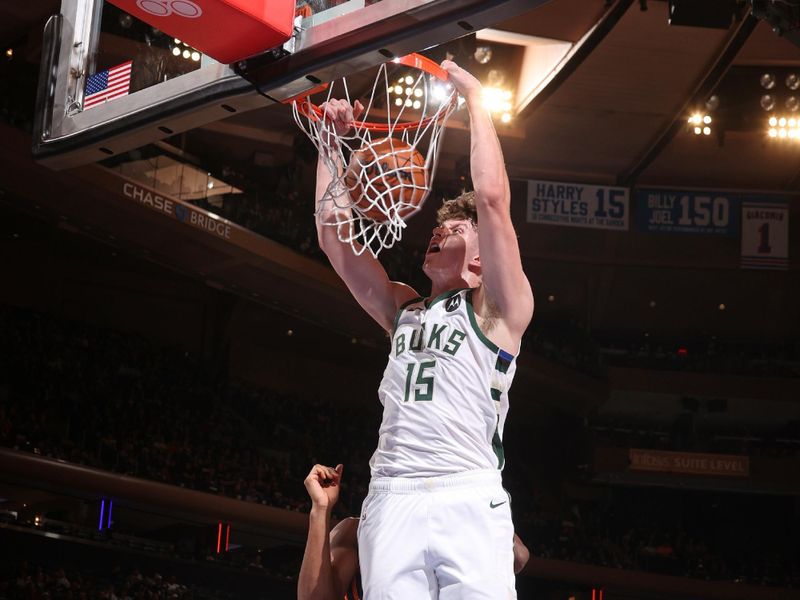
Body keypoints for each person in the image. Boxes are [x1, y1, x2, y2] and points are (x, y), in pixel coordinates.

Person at [314, 59, 534, 598]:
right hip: (392, 494)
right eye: (436, 227)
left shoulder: (500, 312)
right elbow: (335, 242)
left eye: (454, 229)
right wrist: (330, 143)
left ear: (482, 259)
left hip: (467, 490)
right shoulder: (404, 310)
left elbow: (493, 201)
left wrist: (477, 101)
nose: (437, 232)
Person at [298, 463, 530, 600]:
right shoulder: (355, 532)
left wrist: (476, 506)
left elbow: (519, 557)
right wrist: (320, 509)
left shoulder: (461, 516)